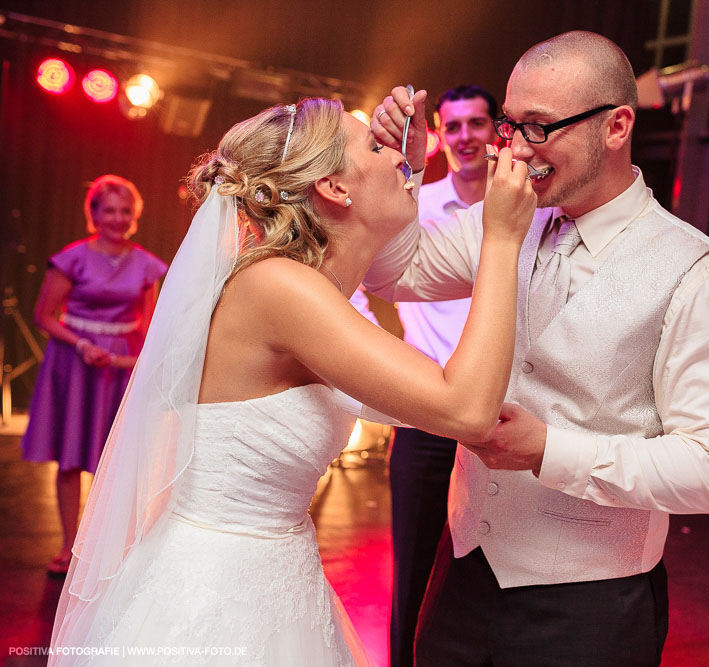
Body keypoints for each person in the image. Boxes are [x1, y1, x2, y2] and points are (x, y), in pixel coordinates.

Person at [49, 98, 536, 665]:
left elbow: (427, 394)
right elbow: (464, 407)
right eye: (376, 149)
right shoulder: (279, 288)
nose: (403, 158)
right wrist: (502, 238)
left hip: (277, 576)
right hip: (216, 597)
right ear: (333, 187)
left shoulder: (306, 290)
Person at [367, 31, 709, 666]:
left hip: (590, 607)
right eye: (510, 127)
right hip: (464, 564)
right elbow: (392, 272)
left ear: (617, 125)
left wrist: (550, 450)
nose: (517, 151)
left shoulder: (697, 277)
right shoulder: (510, 215)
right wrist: (406, 170)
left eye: (540, 128)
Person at [389, 84, 498, 667]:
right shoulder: (417, 208)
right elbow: (359, 281)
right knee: (413, 573)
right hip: (424, 415)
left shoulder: (526, 212)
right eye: (452, 127)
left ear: (495, 130)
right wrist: (384, 363)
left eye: (475, 124)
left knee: (485, 575)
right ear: (439, 135)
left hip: (500, 419)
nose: (464, 137)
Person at [21, 175, 166, 576]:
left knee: (118, 458)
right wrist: (81, 344)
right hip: (74, 361)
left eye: (125, 211)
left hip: (119, 367)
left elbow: (149, 327)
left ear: (133, 216)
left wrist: (131, 364)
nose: (117, 219)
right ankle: (68, 547)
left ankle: (107, 547)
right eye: (109, 210)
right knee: (70, 458)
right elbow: (44, 316)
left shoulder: (147, 264)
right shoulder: (73, 257)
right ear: (94, 214)